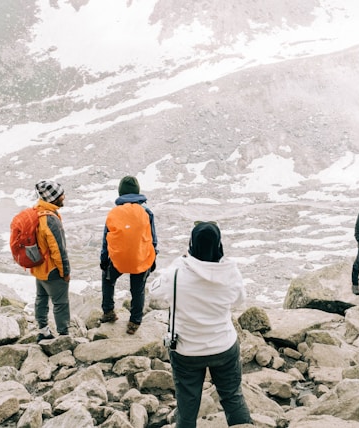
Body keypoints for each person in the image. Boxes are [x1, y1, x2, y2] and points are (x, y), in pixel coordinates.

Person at [149, 221, 252, 428]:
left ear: (191, 244)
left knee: (187, 404)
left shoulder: (176, 274)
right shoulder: (231, 273)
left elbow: (153, 290)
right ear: (219, 245)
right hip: (223, 346)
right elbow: (240, 300)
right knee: (232, 397)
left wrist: (178, 262)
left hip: (187, 351)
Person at [99, 175, 157, 335]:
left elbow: (106, 239)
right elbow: (152, 238)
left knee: (108, 279)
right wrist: (153, 258)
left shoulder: (114, 212)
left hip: (118, 259)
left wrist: (104, 260)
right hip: (140, 258)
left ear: (121, 193)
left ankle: (108, 311)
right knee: (138, 290)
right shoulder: (146, 212)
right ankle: (134, 321)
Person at [31, 179, 71, 341]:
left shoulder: (36, 212)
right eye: (61, 195)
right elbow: (58, 251)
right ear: (53, 198)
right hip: (52, 269)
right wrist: (65, 272)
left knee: (41, 299)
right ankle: (64, 336)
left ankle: (43, 331)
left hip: (38, 267)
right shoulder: (50, 219)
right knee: (60, 303)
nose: (64, 197)